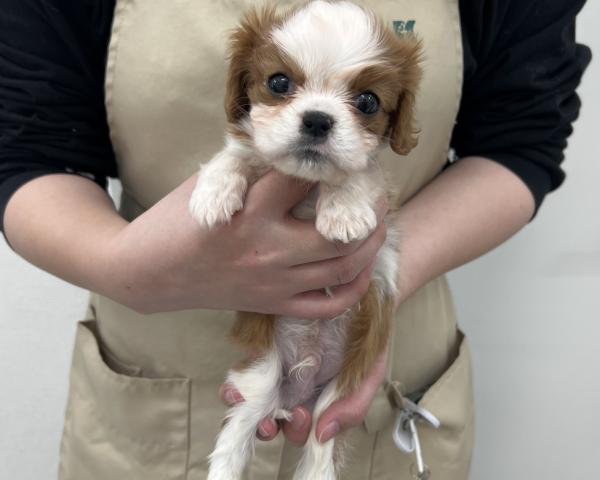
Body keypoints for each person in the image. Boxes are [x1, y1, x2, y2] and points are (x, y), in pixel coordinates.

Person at [0, 0, 591, 479]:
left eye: (364, 102)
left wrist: (372, 280)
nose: (316, 114)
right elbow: (25, 150)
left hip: (388, 373)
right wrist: (122, 267)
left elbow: (522, 141)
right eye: (280, 84)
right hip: (148, 389)